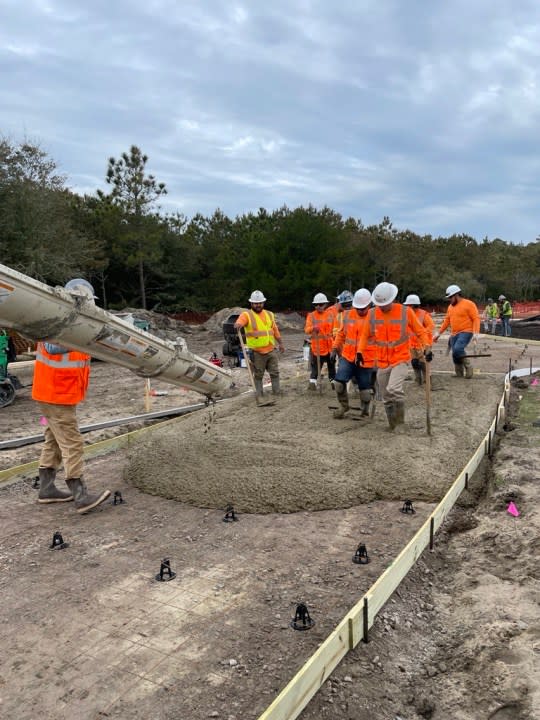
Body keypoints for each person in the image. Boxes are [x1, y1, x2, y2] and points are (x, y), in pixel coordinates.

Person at [31, 279, 111, 513]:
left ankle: (46, 489)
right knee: (72, 442)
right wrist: (87, 336)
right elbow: (53, 348)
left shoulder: (70, 322)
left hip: (56, 394)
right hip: (56, 396)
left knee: (54, 440)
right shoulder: (55, 319)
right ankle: (80, 494)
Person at [357, 282, 432, 430]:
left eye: (384, 304)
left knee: (394, 389)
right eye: (380, 304)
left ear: (392, 299)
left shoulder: (405, 312)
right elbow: (365, 335)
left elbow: (420, 331)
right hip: (382, 361)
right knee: (385, 395)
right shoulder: (372, 314)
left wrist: (427, 348)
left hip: (401, 358)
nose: (382, 307)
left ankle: (401, 423)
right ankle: (392, 424)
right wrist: (360, 351)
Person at [331, 288, 376, 418]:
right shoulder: (347, 315)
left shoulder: (375, 318)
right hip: (348, 356)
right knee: (338, 383)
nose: (360, 311)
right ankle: (343, 406)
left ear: (370, 305)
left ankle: (365, 408)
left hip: (366, 359)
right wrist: (334, 348)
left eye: (363, 308)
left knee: (365, 390)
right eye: (358, 308)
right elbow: (340, 334)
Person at [234, 290, 285, 400]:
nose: (258, 305)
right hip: (257, 352)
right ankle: (259, 395)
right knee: (258, 374)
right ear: (251, 303)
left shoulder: (270, 314)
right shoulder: (247, 315)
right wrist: (238, 324)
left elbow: (275, 330)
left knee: (275, 372)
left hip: (271, 349)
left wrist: (280, 343)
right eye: (256, 303)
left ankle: (277, 392)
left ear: (263, 303)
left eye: (260, 303)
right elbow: (241, 321)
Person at [432, 284, 480, 379]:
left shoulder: (469, 304)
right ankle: (459, 373)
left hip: (466, 332)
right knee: (455, 353)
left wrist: (475, 333)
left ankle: (468, 367)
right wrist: (438, 333)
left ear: (456, 295)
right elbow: (446, 321)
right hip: (454, 333)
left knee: (458, 349)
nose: (449, 299)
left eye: (450, 297)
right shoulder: (450, 307)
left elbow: (476, 319)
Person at [304, 293, 336, 390]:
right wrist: (313, 328)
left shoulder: (330, 315)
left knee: (331, 366)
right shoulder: (311, 316)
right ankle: (312, 383)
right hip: (318, 348)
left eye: (321, 304)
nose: (318, 307)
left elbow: (335, 328)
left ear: (325, 304)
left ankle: (333, 382)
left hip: (330, 347)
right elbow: (306, 329)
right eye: (316, 305)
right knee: (316, 367)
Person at [403, 294, 435, 385]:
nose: (406, 307)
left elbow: (431, 326)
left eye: (408, 305)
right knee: (414, 362)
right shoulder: (407, 315)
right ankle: (418, 380)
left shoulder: (423, 314)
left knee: (423, 363)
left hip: (423, 344)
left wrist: (421, 332)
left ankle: (427, 380)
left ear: (412, 305)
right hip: (412, 344)